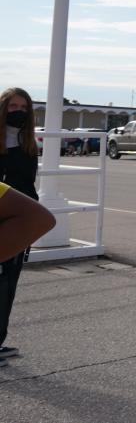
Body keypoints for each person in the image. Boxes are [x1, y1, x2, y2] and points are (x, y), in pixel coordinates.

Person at [0, 87, 40, 364]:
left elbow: (28, 184)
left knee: (8, 284)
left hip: (19, 219)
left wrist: (33, 221)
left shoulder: (28, 144)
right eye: (12, 107)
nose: (18, 112)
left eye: (23, 108)